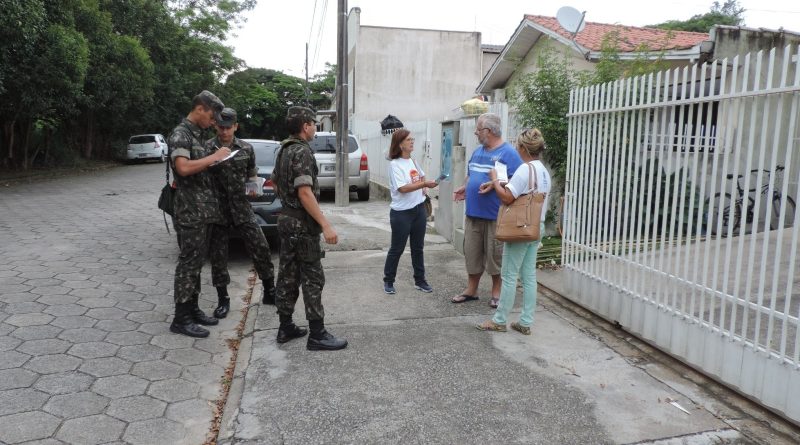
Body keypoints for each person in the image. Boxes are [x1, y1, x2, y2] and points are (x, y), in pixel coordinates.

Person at [270, 106, 347, 351]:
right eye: (313, 123)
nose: (315, 127)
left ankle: (285, 326)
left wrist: (287, 205)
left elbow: (274, 182)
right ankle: (317, 333)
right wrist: (325, 225)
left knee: (287, 274)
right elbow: (304, 191)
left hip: (285, 220)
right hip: (302, 224)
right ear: (305, 126)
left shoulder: (283, 150)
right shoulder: (302, 152)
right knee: (312, 277)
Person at [168, 90, 231, 338]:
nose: (214, 122)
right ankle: (181, 318)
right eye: (213, 116)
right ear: (201, 108)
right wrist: (214, 157)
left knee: (196, 262)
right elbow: (182, 168)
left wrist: (213, 162)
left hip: (202, 211)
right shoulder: (181, 134)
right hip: (189, 211)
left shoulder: (196, 134)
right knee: (188, 263)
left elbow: (197, 167)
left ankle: (192, 309)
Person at [476, 128, 551, 335]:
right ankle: (526, 321)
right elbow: (524, 191)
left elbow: (507, 198)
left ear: (523, 148)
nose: (516, 149)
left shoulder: (524, 169)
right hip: (537, 226)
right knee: (528, 276)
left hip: (521, 227)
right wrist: (496, 184)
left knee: (508, 275)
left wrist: (494, 178)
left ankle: (499, 320)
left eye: (518, 146)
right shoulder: (542, 171)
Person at [205, 107, 277, 319]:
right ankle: (222, 300)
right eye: (221, 127)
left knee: (261, 247)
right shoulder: (207, 148)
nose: (224, 131)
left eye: (228, 127)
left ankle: (270, 291)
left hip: (243, 208)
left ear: (235, 126)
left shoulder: (246, 148)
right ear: (215, 126)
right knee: (218, 256)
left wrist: (254, 188)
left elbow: (252, 175)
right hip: (218, 210)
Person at [451, 113, 522, 308]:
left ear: (488, 131)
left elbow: (518, 183)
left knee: (495, 256)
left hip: (495, 216)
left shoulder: (509, 154)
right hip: (473, 214)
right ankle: (471, 290)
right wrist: (465, 188)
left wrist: (493, 183)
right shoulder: (478, 152)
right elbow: (471, 174)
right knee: (472, 253)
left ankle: (496, 292)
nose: (475, 133)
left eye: (478, 129)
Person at [382, 129, 438, 295]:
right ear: (400, 144)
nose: (412, 142)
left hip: (418, 210)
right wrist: (424, 185)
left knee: (418, 248)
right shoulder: (395, 165)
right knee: (397, 248)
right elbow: (403, 188)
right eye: (408, 140)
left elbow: (421, 175)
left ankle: (420, 280)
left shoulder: (413, 161)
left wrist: (423, 188)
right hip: (401, 214)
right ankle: (388, 281)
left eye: (412, 139)